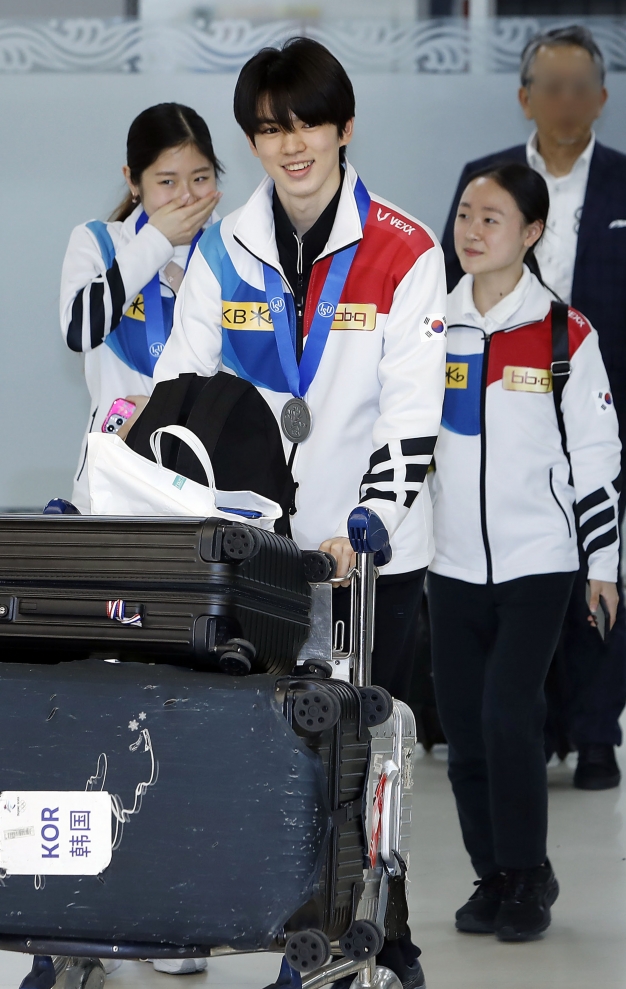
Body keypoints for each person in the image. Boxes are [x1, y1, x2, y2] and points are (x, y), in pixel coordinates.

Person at [153, 37, 447, 989]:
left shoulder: (405, 249)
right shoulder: (224, 249)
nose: (291, 145)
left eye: (308, 123)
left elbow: (415, 412)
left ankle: (387, 941)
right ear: (252, 140)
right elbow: (180, 391)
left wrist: (364, 523)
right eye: (271, 129)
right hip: (264, 554)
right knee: (273, 747)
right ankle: (302, 931)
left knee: (368, 756)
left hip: (369, 554)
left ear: (343, 127)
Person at [440, 25, 626, 790]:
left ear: (601, 97)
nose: (566, 100)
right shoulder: (484, 179)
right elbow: (450, 290)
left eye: (581, 86)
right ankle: (526, 727)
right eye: (551, 85)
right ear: (523, 95)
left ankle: (595, 733)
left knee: (597, 558)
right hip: (503, 405)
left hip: (605, 402)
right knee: (519, 571)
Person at [428, 162, 621, 941]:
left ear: (532, 233)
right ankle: (495, 874)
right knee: (466, 728)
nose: (471, 231)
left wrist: (601, 567)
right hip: (451, 564)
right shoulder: (430, 327)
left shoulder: (563, 334)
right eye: (465, 214)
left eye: (491, 218)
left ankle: (530, 872)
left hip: (539, 558)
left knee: (511, 715)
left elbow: (597, 454)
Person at [60, 102, 222, 513]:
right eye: (167, 181)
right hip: (110, 484)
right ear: (133, 180)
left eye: (200, 178)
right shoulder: (98, 242)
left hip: (205, 482)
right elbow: (80, 330)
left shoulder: (232, 247)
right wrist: (156, 241)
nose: (186, 196)